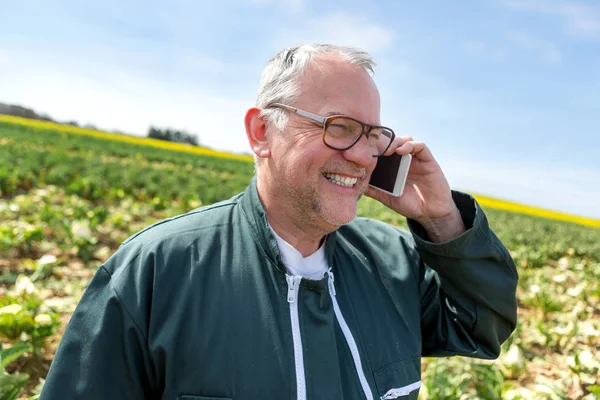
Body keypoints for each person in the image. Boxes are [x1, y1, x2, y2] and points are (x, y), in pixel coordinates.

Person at [41, 44, 518, 400]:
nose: (360, 155)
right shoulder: (158, 270)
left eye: (373, 134)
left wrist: (443, 220)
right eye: (339, 127)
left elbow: (482, 329)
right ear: (262, 132)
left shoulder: (393, 263)